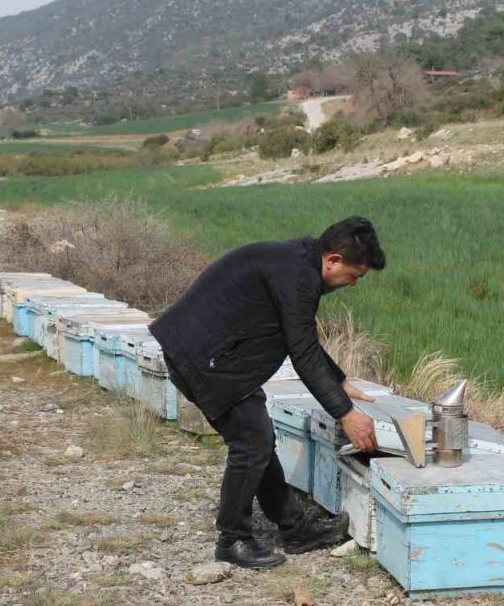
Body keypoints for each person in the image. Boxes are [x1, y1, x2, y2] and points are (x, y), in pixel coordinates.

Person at [150, 216, 386, 569]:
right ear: (333, 260)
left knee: (258, 437)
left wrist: (337, 379)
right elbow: (303, 353)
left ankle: (295, 528)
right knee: (251, 442)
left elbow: (299, 337)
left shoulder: (299, 262)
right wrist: (346, 414)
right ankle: (232, 540)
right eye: (355, 276)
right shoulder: (298, 277)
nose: (353, 284)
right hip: (204, 357)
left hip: (215, 354)